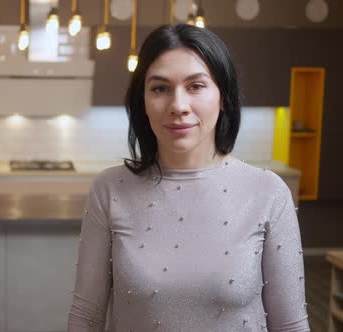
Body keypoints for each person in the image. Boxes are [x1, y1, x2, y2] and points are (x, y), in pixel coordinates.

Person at [67, 24, 310, 331]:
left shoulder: (269, 192)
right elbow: (85, 318)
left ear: (223, 96)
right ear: (142, 101)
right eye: (160, 88)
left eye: (196, 86)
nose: (178, 106)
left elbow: (290, 326)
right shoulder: (109, 189)